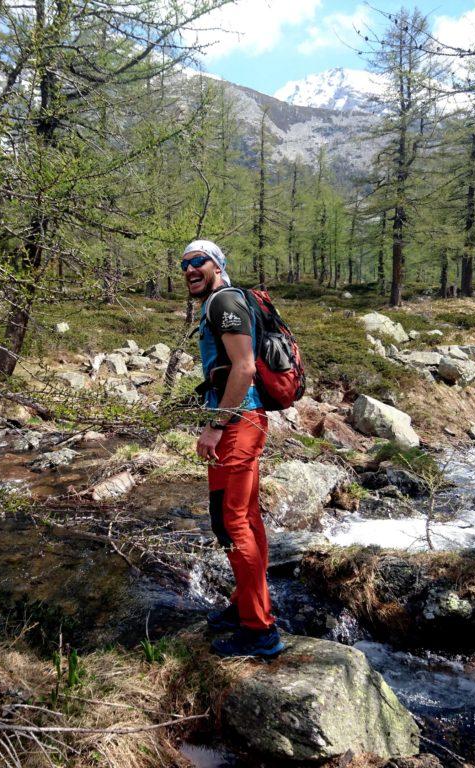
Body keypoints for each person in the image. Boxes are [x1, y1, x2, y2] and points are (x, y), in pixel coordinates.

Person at [182, 239, 285, 658]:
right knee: (240, 518)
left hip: (237, 424)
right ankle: (245, 604)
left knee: (234, 522)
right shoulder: (221, 301)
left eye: (198, 261)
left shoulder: (224, 301)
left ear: (218, 265)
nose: (189, 268)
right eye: (184, 263)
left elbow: (243, 368)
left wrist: (215, 426)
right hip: (239, 422)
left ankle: (260, 631)